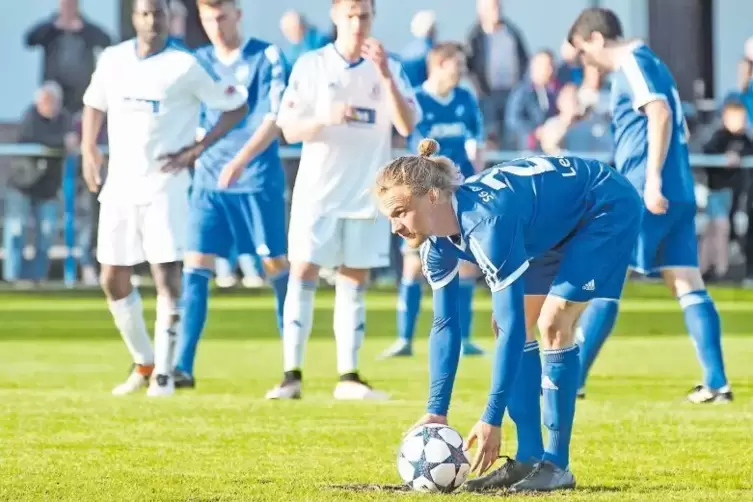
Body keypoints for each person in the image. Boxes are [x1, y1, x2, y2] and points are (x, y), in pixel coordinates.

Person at [376, 140, 641, 491]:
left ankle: (556, 466)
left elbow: (516, 327)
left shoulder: (487, 225)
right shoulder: (436, 243)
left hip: (603, 205)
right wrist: (436, 410)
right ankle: (529, 457)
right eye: (389, 217)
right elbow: (445, 324)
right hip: (548, 224)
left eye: (399, 212)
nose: (395, 227)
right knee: (505, 325)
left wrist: (491, 418)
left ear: (433, 197)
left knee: (553, 323)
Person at [80, 0, 248, 397]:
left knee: (165, 275)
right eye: (144, 13)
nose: (151, 20)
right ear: (134, 18)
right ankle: (144, 362)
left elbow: (235, 106)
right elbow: (93, 103)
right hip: (120, 185)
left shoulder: (185, 65)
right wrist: (90, 148)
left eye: (158, 13)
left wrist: (195, 151)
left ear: (169, 17)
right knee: (112, 276)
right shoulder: (113, 59)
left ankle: (165, 374)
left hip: (164, 186)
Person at [568, 8, 732, 403]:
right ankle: (716, 383)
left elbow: (658, 113)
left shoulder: (634, 62)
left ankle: (572, 380)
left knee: (606, 279)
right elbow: (678, 122)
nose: (584, 61)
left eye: (581, 51)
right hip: (676, 188)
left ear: (595, 39)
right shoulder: (653, 63)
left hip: (646, 189)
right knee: (687, 282)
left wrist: (652, 179)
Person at [265, 0, 420, 401]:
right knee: (303, 273)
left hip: (367, 192)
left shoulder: (389, 65)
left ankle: (348, 376)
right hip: (318, 191)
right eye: (349, 14)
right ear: (335, 16)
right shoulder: (312, 65)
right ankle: (291, 374)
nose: (357, 22)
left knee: (355, 279)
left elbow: (407, 125)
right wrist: (325, 117)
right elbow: (289, 128)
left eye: (364, 15)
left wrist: (385, 75)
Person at [171, 0, 290, 389]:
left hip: (255, 179)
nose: (216, 25)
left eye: (222, 16)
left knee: (275, 266)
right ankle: (182, 367)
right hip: (208, 182)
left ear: (238, 14)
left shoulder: (266, 55)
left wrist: (240, 160)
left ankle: (292, 367)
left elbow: (276, 117)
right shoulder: (197, 61)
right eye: (208, 19)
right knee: (195, 266)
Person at [380, 42, 486, 359]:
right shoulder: (417, 99)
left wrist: (475, 175)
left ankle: (463, 338)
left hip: (458, 193)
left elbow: (476, 141)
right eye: (456, 65)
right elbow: (404, 135)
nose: (461, 72)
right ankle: (404, 339)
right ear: (438, 64)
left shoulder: (466, 98)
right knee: (413, 266)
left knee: (466, 265)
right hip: (423, 194)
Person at [4, 81, 78, 285]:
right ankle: (12, 278)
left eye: (53, 101)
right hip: (22, 185)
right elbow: (37, 138)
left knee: (46, 232)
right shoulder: (30, 116)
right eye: (46, 101)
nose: (50, 105)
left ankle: (38, 278)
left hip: (47, 188)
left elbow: (71, 140)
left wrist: (68, 142)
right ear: (38, 102)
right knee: (16, 231)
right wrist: (62, 143)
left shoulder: (64, 119)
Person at [24, 0, 111, 114]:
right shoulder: (51, 29)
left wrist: (83, 29)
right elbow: (29, 40)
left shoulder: (87, 28)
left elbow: (107, 41)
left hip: (80, 89)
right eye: (65, 5)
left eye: (71, 4)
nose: (68, 9)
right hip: (55, 88)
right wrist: (53, 27)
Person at [700, 100, 753, 282]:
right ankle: (719, 269)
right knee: (718, 228)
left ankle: (710, 267)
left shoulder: (744, 139)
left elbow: (748, 153)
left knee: (716, 229)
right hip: (718, 192)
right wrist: (724, 158)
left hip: (734, 194)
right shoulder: (719, 137)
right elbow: (707, 152)